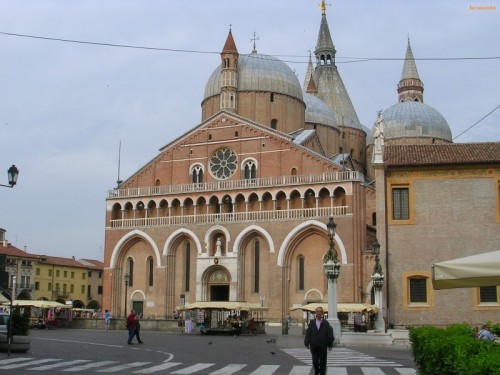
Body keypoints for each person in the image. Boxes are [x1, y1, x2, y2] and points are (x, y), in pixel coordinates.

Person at [304, 307, 334, 375]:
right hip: (314, 345)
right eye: (318, 311)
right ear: (315, 313)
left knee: (323, 362)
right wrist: (306, 342)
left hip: (323, 345)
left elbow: (329, 334)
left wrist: (330, 344)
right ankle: (317, 371)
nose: (319, 313)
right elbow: (308, 333)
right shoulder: (312, 323)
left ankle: (322, 373)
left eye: (320, 311)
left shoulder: (325, 323)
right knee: (315, 361)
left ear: (322, 313)